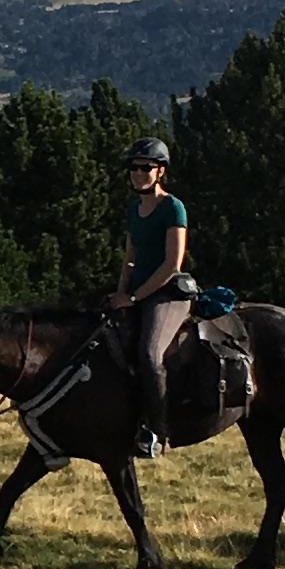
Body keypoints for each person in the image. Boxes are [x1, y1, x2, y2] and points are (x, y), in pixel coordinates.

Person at [105, 137, 191, 461]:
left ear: (161, 171)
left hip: (167, 294)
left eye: (145, 167)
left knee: (150, 352)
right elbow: (130, 257)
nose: (138, 173)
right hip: (135, 295)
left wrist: (135, 297)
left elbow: (172, 264)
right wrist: (120, 292)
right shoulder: (134, 208)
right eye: (133, 167)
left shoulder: (172, 207)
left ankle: (158, 431)